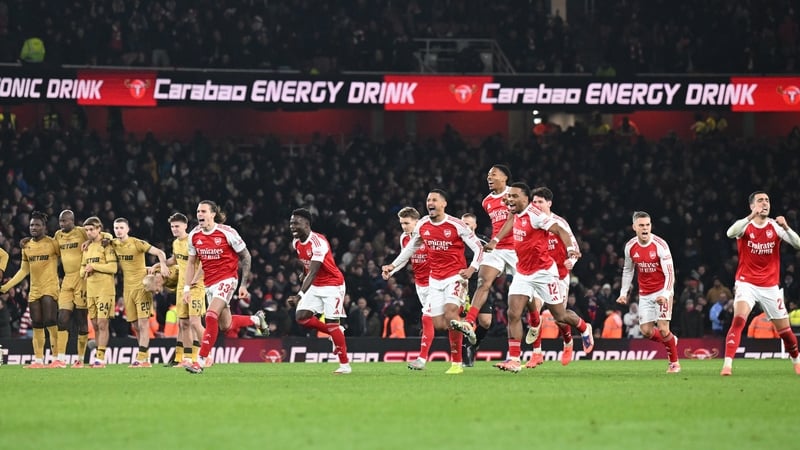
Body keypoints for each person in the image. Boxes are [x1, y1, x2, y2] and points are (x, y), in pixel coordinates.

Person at [383, 189, 484, 375]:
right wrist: (393, 266)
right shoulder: (422, 225)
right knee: (438, 324)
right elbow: (410, 249)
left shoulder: (456, 224)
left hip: (456, 276)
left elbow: (478, 247)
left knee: (450, 312)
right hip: (434, 280)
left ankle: (456, 364)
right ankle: (466, 326)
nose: (430, 202)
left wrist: (472, 268)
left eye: (435, 200)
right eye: (428, 199)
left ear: (443, 204)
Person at [493, 183, 591, 373]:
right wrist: (495, 240)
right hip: (523, 272)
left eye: (514, 196)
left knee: (560, 316)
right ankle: (516, 359)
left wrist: (571, 252)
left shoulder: (539, 217)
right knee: (513, 313)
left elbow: (562, 232)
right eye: (509, 197)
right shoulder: (516, 211)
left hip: (546, 273)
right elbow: (508, 210)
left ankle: (583, 327)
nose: (510, 200)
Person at [721, 191, 800, 375]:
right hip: (746, 283)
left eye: (767, 200)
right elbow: (729, 233)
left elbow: (798, 245)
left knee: (786, 332)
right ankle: (727, 365)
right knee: (739, 320)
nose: (764, 203)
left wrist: (787, 227)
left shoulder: (776, 226)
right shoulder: (745, 226)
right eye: (760, 201)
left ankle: (796, 360)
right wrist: (751, 216)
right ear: (752, 206)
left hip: (770, 287)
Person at [184, 200, 267, 374]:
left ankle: (200, 361)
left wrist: (243, 284)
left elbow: (246, 256)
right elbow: (191, 263)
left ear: (213, 214)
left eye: (204, 211)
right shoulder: (194, 236)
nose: (200, 214)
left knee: (210, 315)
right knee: (225, 325)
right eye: (198, 211)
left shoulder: (227, 232)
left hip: (228, 280)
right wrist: (186, 288)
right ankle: (256, 320)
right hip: (209, 284)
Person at [452, 165, 517, 357]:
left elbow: (513, 219)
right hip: (496, 250)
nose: (489, 177)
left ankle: (536, 325)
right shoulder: (487, 201)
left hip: (516, 249)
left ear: (505, 177)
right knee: (484, 281)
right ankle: (469, 322)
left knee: (526, 299)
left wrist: (495, 240)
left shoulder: (514, 195)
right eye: (488, 175)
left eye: (493, 174)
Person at [286, 208, 352, 374]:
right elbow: (308, 265)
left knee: (332, 323)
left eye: (296, 223)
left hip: (332, 285)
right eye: (291, 222)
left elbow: (315, 270)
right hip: (315, 284)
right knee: (301, 317)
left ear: (307, 224)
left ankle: (345, 365)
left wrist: (299, 295)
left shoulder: (318, 242)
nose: (292, 226)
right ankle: (335, 332)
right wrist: (304, 272)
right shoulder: (296, 243)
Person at [616, 211, 681, 373]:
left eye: (648, 225)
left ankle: (674, 364)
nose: (645, 228)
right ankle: (672, 341)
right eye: (641, 225)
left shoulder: (660, 245)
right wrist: (624, 293)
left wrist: (665, 295)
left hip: (663, 290)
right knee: (646, 331)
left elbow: (670, 274)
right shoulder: (630, 246)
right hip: (644, 294)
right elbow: (628, 270)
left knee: (663, 328)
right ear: (634, 227)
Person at [524, 186, 580, 368]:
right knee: (534, 311)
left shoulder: (560, 223)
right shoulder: (531, 221)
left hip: (559, 276)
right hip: (538, 272)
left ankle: (568, 342)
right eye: (534, 202)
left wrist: (572, 261)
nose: (537, 205)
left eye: (540, 202)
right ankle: (536, 354)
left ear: (549, 203)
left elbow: (575, 248)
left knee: (560, 318)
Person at [1, 212, 61, 368]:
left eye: (37, 225)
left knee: (50, 320)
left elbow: (67, 256)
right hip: (34, 289)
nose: (34, 227)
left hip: (50, 287)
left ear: (44, 227)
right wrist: (6, 287)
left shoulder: (53, 243)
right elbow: (23, 270)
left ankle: (57, 358)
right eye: (32, 225)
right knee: (37, 324)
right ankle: (39, 360)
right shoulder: (27, 246)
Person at [53, 210, 112, 368]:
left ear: (72, 221)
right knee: (62, 318)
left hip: (83, 279)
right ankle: (60, 358)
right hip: (67, 280)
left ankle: (80, 359)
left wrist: (107, 239)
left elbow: (104, 235)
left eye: (64, 221)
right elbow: (50, 248)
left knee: (81, 320)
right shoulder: (58, 235)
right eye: (60, 221)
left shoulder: (82, 231)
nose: (61, 224)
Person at [112, 218, 170, 368]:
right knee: (135, 325)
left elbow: (160, 252)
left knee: (143, 324)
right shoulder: (114, 244)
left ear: (128, 229)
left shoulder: (137, 243)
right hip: (127, 290)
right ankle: (145, 357)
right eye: (116, 228)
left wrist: (162, 265)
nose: (118, 230)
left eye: (121, 228)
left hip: (142, 288)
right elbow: (100, 239)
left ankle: (141, 357)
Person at [390, 207, 431, 370]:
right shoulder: (404, 238)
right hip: (420, 284)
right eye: (401, 223)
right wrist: (391, 270)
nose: (404, 227)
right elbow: (405, 258)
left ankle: (422, 358)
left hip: (436, 282)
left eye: (407, 223)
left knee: (426, 317)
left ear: (417, 222)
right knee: (440, 322)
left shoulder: (428, 235)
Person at [163, 213, 206, 368]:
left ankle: (207, 355)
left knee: (195, 322)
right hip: (181, 288)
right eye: (172, 226)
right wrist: (159, 264)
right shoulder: (176, 243)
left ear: (185, 226)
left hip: (196, 287)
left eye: (177, 226)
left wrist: (195, 280)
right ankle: (187, 358)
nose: (174, 229)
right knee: (184, 324)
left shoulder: (193, 241)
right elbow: (174, 260)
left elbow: (203, 262)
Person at [80, 216, 118, 368]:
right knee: (95, 324)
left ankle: (101, 358)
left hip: (105, 290)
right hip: (91, 290)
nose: (89, 233)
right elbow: (82, 268)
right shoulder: (87, 247)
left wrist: (94, 267)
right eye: (87, 230)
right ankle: (97, 356)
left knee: (103, 323)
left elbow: (113, 268)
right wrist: (84, 272)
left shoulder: (106, 245)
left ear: (98, 229)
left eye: (91, 229)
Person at [459, 212, 489, 367]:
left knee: (485, 322)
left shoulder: (484, 242)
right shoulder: (457, 242)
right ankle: (465, 357)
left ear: (475, 226)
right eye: (463, 224)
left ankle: (473, 345)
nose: (466, 227)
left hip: (481, 285)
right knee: (464, 322)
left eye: (468, 224)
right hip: (464, 287)